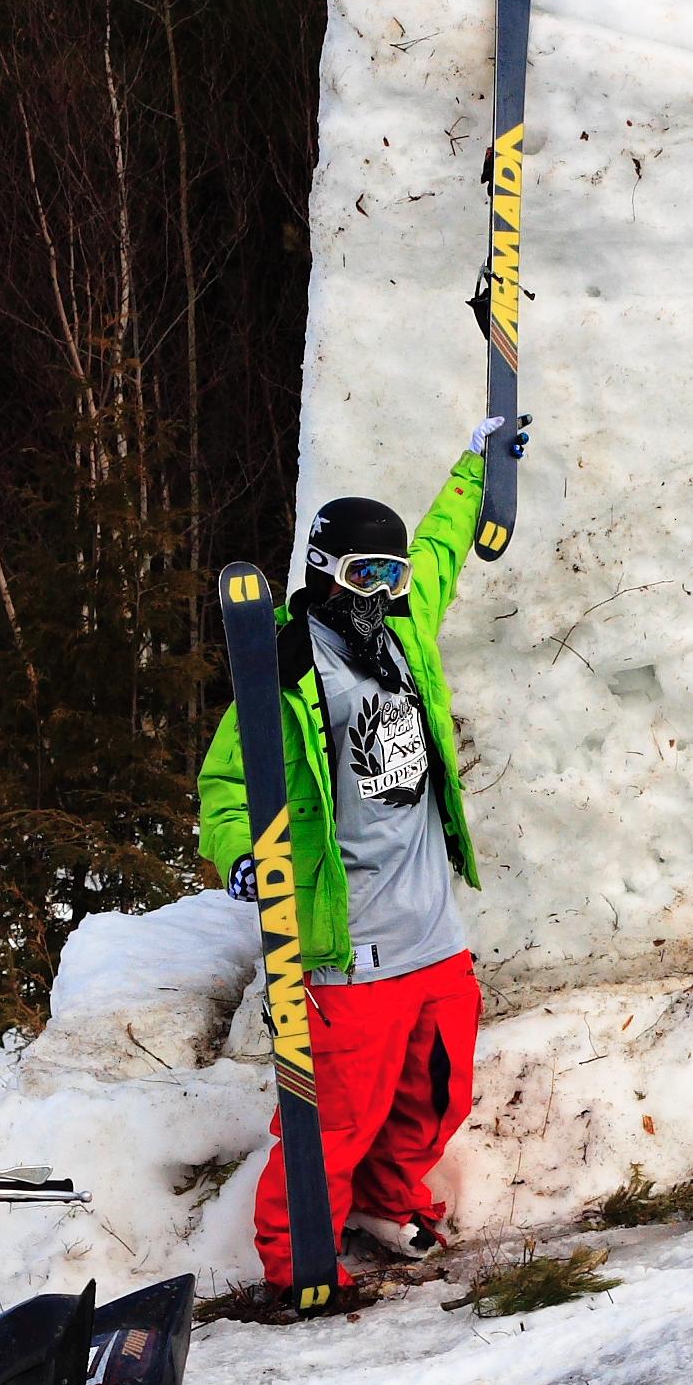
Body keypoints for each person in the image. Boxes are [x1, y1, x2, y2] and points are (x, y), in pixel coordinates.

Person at [199, 415, 526, 1309]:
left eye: (391, 575)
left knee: (438, 1095)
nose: (381, 592)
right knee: (333, 1121)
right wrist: (241, 855)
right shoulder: (284, 670)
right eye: (362, 575)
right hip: (353, 949)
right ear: (322, 571)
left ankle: (386, 1202)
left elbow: (442, 548)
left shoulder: (402, 632)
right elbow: (225, 786)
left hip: (434, 935)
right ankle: (297, 1260)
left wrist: (477, 466)